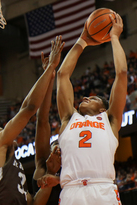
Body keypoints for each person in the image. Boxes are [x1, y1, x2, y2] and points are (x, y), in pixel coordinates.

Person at [50, 12, 127, 205]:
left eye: (92, 98)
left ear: (103, 109)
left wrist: (115, 38)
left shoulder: (110, 120)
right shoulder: (69, 118)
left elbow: (122, 73)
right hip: (71, 191)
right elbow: (62, 75)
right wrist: (82, 40)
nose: (84, 98)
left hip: (102, 189)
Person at [0, 36, 64, 205]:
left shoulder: (14, 171)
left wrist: (51, 175)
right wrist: (50, 68)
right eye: (1, 131)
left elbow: (34, 203)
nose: (6, 131)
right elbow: (29, 110)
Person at [31, 52, 62, 205]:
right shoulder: (42, 165)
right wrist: (49, 76)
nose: (57, 149)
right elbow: (42, 120)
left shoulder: (74, 168)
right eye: (54, 147)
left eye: (60, 149)